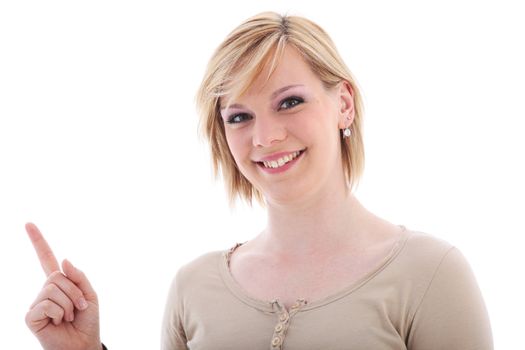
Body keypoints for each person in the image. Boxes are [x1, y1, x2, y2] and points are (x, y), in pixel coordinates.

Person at [25, 11, 493, 350]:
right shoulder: (194, 287)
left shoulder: (430, 275)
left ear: (343, 104)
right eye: (240, 116)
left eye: (289, 102)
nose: (265, 136)